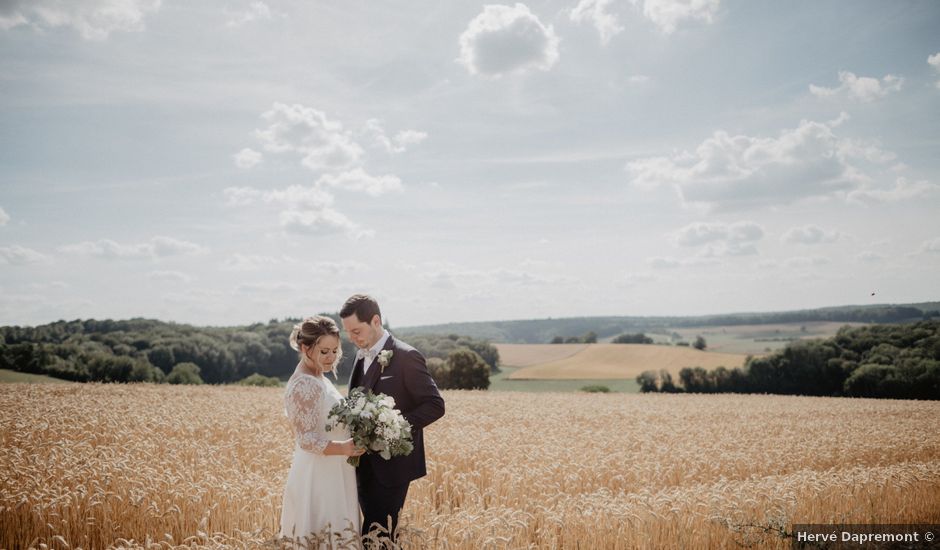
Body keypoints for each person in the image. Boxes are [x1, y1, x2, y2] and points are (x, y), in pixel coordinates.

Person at [340, 294, 445, 544]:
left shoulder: (406, 356)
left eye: (356, 331)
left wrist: (392, 425)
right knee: (371, 535)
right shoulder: (360, 355)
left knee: (379, 537)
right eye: (348, 333)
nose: (352, 338)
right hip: (362, 464)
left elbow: (435, 405)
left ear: (375, 320)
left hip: (393, 467)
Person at [279, 316, 365, 547]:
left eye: (335, 351)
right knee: (322, 532)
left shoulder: (318, 377)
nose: (331, 358)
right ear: (305, 348)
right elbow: (305, 439)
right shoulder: (304, 384)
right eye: (324, 351)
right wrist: (344, 447)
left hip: (336, 468)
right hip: (319, 473)